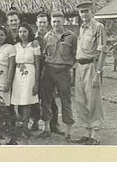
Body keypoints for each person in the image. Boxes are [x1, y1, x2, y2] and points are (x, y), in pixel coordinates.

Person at [40, 11, 77, 139]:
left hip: (63, 71)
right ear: (51, 22)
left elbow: (75, 55)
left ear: (63, 22)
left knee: (65, 100)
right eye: (54, 21)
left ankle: (68, 132)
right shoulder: (47, 36)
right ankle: (46, 128)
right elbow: (45, 54)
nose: (56, 24)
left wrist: (68, 68)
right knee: (46, 99)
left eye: (58, 21)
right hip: (49, 70)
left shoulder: (71, 36)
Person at [75, 2, 107, 145]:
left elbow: (102, 52)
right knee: (81, 100)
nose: (83, 14)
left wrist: (98, 73)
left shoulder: (98, 27)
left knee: (93, 100)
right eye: (81, 12)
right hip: (80, 67)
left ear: (91, 11)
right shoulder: (81, 28)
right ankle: (87, 133)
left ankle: (96, 134)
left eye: (86, 11)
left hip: (91, 66)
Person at [30, 13, 60, 133]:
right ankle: (35, 122)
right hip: (37, 69)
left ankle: (54, 124)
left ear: (48, 23)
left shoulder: (53, 37)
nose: (42, 25)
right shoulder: (33, 38)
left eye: (44, 22)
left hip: (49, 70)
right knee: (35, 98)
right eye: (40, 22)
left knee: (50, 98)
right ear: (37, 24)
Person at [11, 22, 40, 134]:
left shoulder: (34, 45)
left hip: (30, 74)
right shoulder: (15, 47)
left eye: (25, 31)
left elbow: (37, 65)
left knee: (27, 101)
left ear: (29, 33)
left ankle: (25, 127)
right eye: (20, 32)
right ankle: (20, 124)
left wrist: (36, 83)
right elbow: (13, 63)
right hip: (18, 74)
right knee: (18, 100)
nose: (22, 34)